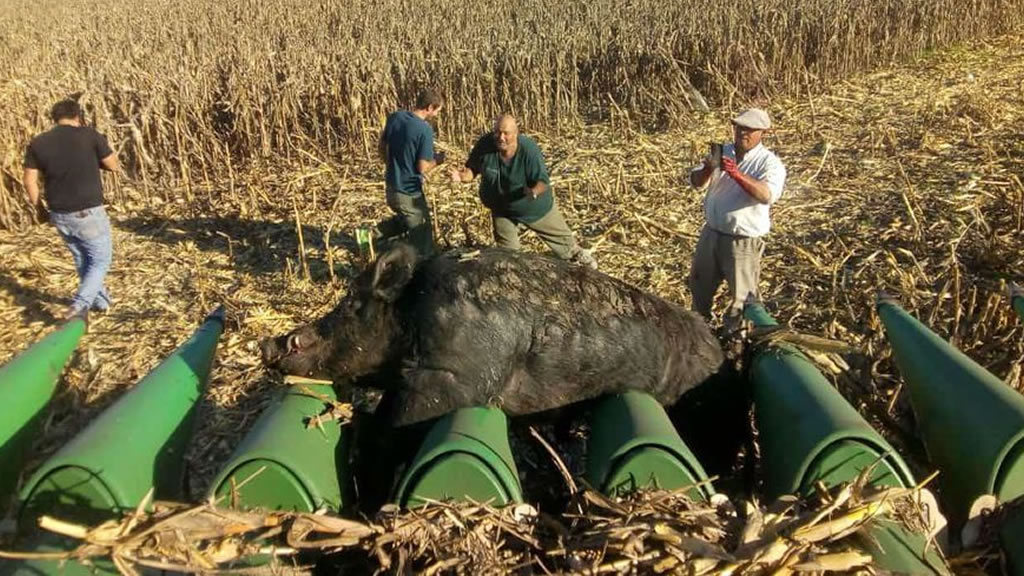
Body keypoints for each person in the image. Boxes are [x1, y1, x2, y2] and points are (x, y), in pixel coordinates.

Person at [449, 114, 596, 269]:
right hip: (502, 210)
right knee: (509, 257)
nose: (501, 137)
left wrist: (533, 192)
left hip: (534, 207)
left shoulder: (528, 150)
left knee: (568, 247)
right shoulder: (485, 145)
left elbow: (542, 182)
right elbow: (472, 170)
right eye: (497, 132)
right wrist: (461, 176)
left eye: (506, 133)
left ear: (516, 133)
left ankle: (583, 262)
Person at [688, 108, 786, 329]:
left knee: (742, 300)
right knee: (699, 288)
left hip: (743, 242)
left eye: (750, 129)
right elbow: (695, 182)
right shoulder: (722, 152)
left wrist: (736, 174)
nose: (743, 133)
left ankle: (737, 342)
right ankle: (701, 334)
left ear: (763, 132)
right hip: (711, 234)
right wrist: (707, 168)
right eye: (740, 127)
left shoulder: (769, 163)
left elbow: (766, 195)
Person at [24, 99, 120, 319]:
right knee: (100, 260)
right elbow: (113, 165)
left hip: (59, 213)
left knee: (81, 258)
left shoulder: (38, 143)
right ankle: (80, 305)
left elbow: (29, 181)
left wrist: (39, 208)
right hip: (87, 212)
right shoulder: (90, 136)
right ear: (78, 116)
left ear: (54, 119)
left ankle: (101, 302)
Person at [377, 88, 445, 257]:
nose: (436, 115)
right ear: (429, 107)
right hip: (408, 191)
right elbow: (422, 167)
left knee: (406, 218)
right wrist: (437, 160)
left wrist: (391, 165)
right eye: (437, 110)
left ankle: (369, 234)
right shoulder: (424, 130)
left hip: (391, 186)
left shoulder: (395, 117)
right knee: (422, 232)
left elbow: (381, 147)